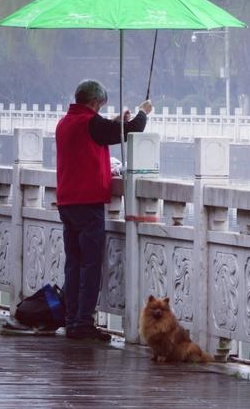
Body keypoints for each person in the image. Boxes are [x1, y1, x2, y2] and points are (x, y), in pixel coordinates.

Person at [55, 79, 153, 340]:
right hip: (88, 204)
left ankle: (71, 317)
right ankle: (83, 322)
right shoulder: (90, 122)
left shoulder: (65, 122)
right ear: (95, 102)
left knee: (73, 264)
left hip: (67, 202)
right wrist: (143, 112)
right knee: (90, 264)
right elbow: (131, 130)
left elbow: (104, 129)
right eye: (99, 106)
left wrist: (116, 120)